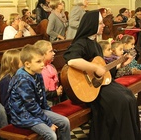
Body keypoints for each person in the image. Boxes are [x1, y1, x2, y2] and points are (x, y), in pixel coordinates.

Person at [63, 10, 141, 140]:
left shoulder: (95, 44)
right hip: (89, 88)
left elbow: (104, 72)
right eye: (100, 23)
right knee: (121, 101)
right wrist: (94, 67)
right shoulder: (81, 43)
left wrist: (120, 65)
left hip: (101, 84)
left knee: (130, 98)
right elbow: (71, 60)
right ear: (91, 25)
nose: (103, 25)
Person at [8, 44, 71, 140]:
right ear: (27, 64)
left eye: (42, 60)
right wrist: (48, 122)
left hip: (36, 111)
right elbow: (31, 106)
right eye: (38, 62)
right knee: (51, 135)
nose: (42, 64)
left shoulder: (37, 73)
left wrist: (49, 115)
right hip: (23, 116)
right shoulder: (22, 80)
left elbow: (43, 97)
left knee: (65, 121)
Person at [34, 40, 64, 107]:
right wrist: (55, 93)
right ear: (42, 55)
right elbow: (40, 93)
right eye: (51, 51)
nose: (54, 53)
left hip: (55, 99)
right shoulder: (38, 71)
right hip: (46, 103)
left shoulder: (51, 66)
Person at [0, 49, 22, 121]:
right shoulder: (6, 80)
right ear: (13, 63)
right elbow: (6, 103)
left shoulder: (18, 75)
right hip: (15, 116)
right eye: (21, 60)